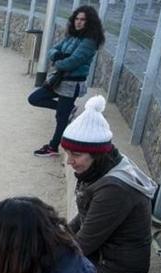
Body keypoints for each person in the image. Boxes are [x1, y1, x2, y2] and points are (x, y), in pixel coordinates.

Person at [62, 95, 157, 273]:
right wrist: (54, 236)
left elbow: (84, 243)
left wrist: (42, 255)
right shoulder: (105, 167)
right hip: (104, 257)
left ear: (96, 154)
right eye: (67, 153)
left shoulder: (114, 190)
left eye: (76, 155)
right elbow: (86, 216)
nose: (69, 161)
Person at [29, 5, 105, 158]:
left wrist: (58, 60)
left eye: (83, 20)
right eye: (76, 19)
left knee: (61, 118)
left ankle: (52, 147)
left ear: (89, 22)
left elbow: (73, 62)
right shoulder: (71, 36)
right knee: (35, 98)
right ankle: (68, 110)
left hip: (71, 83)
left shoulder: (90, 42)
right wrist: (60, 56)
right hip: (58, 79)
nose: (78, 22)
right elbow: (52, 50)